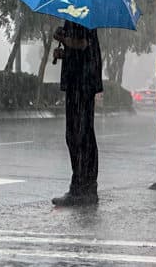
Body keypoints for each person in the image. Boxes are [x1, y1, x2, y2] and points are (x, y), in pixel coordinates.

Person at [51, 19, 103, 206]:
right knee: (81, 133)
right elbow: (80, 49)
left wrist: (63, 39)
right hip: (80, 81)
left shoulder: (80, 14)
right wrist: (64, 54)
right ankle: (85, 187)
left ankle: (81, 188)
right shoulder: (78, 14)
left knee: (78, 134)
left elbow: (82, 43)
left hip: (82, 83)